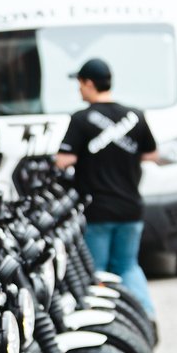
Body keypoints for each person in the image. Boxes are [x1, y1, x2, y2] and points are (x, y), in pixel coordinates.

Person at [54, 57, 159, 319]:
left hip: (97, 210)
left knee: (97, 271)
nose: (79, 89)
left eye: (80, 84)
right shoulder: (135, 116)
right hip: (131, 208)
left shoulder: (81, 119)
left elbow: (63, 160)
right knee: (128, 267)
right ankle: (146, 317)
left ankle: (104, 322)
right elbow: (152, 154)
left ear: (89, 83)